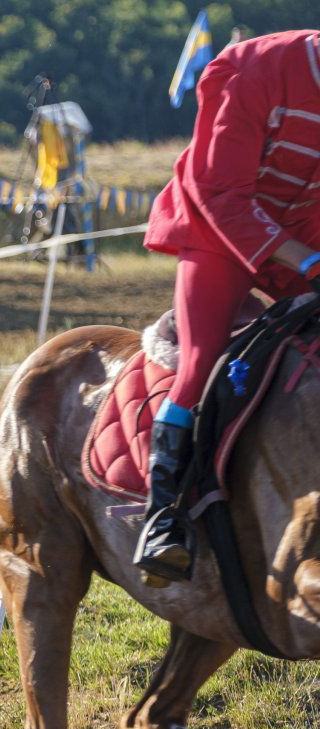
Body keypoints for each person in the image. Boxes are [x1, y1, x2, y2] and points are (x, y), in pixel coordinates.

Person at [135, 30, 320, 584]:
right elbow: (222, 194)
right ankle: (163, 517)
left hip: (303, 225)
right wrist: (309, 265)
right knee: (203, 358)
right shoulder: (252, 67)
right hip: (218, 224)